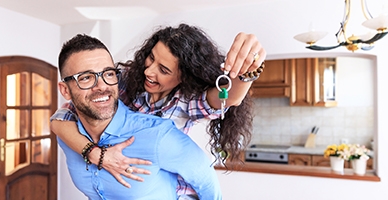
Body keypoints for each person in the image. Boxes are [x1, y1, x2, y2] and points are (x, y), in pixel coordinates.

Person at [51, 23, 266, 198]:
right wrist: (95, 153)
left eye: (163, 70)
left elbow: (229, 99)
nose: (149, 71)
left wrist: (248, 70)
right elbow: (64, 116)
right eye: (151, 58)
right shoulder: (122, 79)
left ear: (184, 76)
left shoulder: (185, 102)